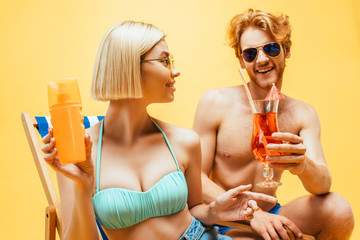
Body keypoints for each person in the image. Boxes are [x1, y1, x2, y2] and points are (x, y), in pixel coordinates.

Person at [41, 21, 277, 240]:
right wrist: (83, 184)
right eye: (165, 61)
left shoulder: (184, 141)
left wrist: (214, 210)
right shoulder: (77, 153)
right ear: (130, 66)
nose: (175, 71)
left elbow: (194, 209)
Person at [193, 9, 354, 240]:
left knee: (339, 210)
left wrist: (303, 165)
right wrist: (250, 212)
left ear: (286, 50)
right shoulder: (215, 103)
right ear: (241, 60)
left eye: (270, 48)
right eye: (250, 53)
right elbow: (195, 178)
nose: (261, 59)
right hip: (225, 221)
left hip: (272, 214)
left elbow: (323, 184)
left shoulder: (303, 113)